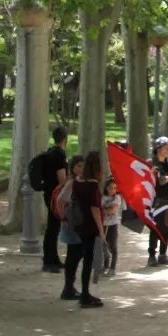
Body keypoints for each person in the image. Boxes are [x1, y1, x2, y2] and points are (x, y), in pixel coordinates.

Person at [59, 152, 105, 307]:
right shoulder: (92, 184)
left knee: (82, 257)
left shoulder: (77, 181)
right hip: (90, 226)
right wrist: (101, 230)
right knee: (88, 260)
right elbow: (95, 209)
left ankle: (80, 291)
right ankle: (84, 294)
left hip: (79, 225)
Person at [39, 125, 70, 273]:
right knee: (52, 228)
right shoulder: (59, 154)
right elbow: (62, 178)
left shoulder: (51, 152)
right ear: (65, 139)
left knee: (54, 227)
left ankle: (54, 258)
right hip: (55, 195)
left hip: (48, 193)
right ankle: (48, 260)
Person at [148, 137, 168, 266]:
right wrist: (165, 178)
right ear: (158, 149)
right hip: (156, 201)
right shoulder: (150, 164)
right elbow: (155, 181)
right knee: (155, 228)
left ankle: (163, 254)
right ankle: (151, 255)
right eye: (165, 148)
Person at [100, 174, 123, 277]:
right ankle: (105, 266)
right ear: (106, 187)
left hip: (113, 224)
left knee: (113, 246)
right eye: (110, 187)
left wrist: (103, 210)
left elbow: (113, 210)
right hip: (103, 224)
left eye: (114, 188)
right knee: (103, 246)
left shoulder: (117, 197)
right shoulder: (101, 197)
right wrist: (105, 210)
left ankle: (112, 268)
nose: (112, 190)